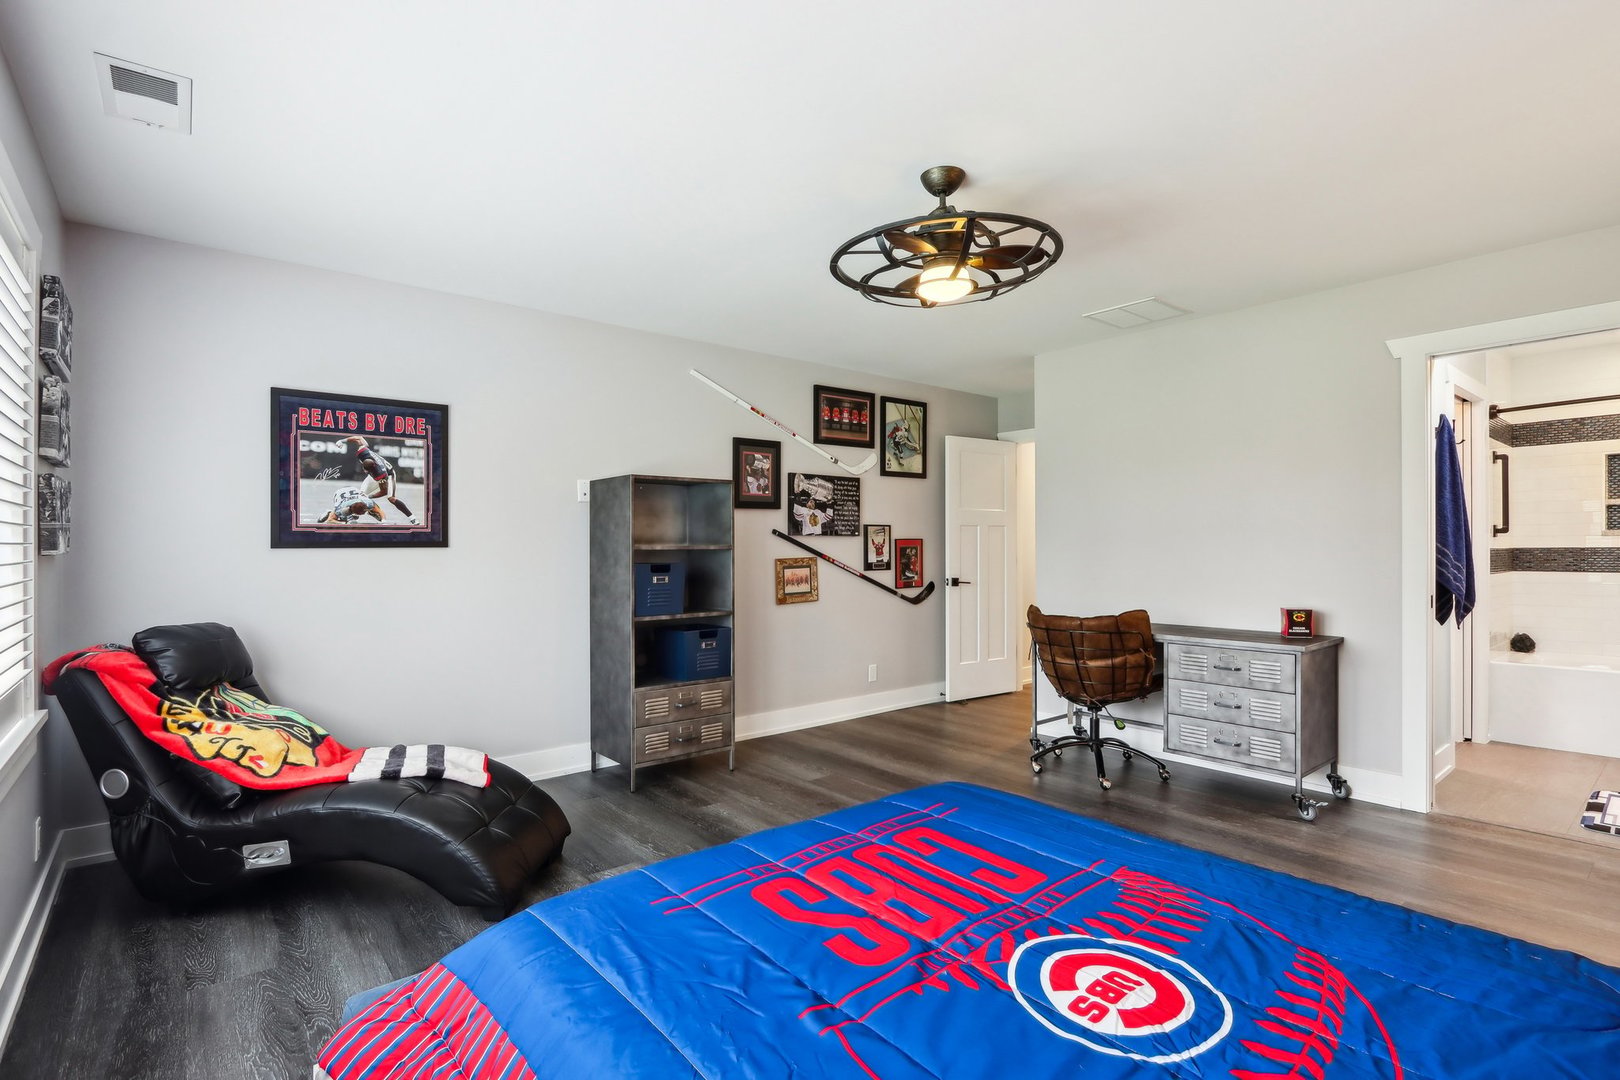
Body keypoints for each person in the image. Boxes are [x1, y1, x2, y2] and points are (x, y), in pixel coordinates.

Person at [344, 435, 422, 525]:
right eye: (364, 469)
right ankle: (354, 514)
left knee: (391, 498)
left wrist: (370, 497)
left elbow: (383, 491)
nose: (365, 471)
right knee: (360, 494)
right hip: (374, 475)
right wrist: (343, 440)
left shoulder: (381, 473)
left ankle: (412, 518)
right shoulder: (363, 452)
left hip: (388, 475)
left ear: (372, 468)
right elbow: (359, 438)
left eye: (367, 470)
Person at [318, 487, 385, 524]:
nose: (363, 514)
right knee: (345, 518)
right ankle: (329, 512)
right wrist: (344, 524)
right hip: (339, 494)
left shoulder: (368, 502)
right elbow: (329, 521)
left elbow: (380, 511)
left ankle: (371, 512)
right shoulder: (341, 507)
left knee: (376, 512)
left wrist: (384, 521)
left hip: (354, 491)